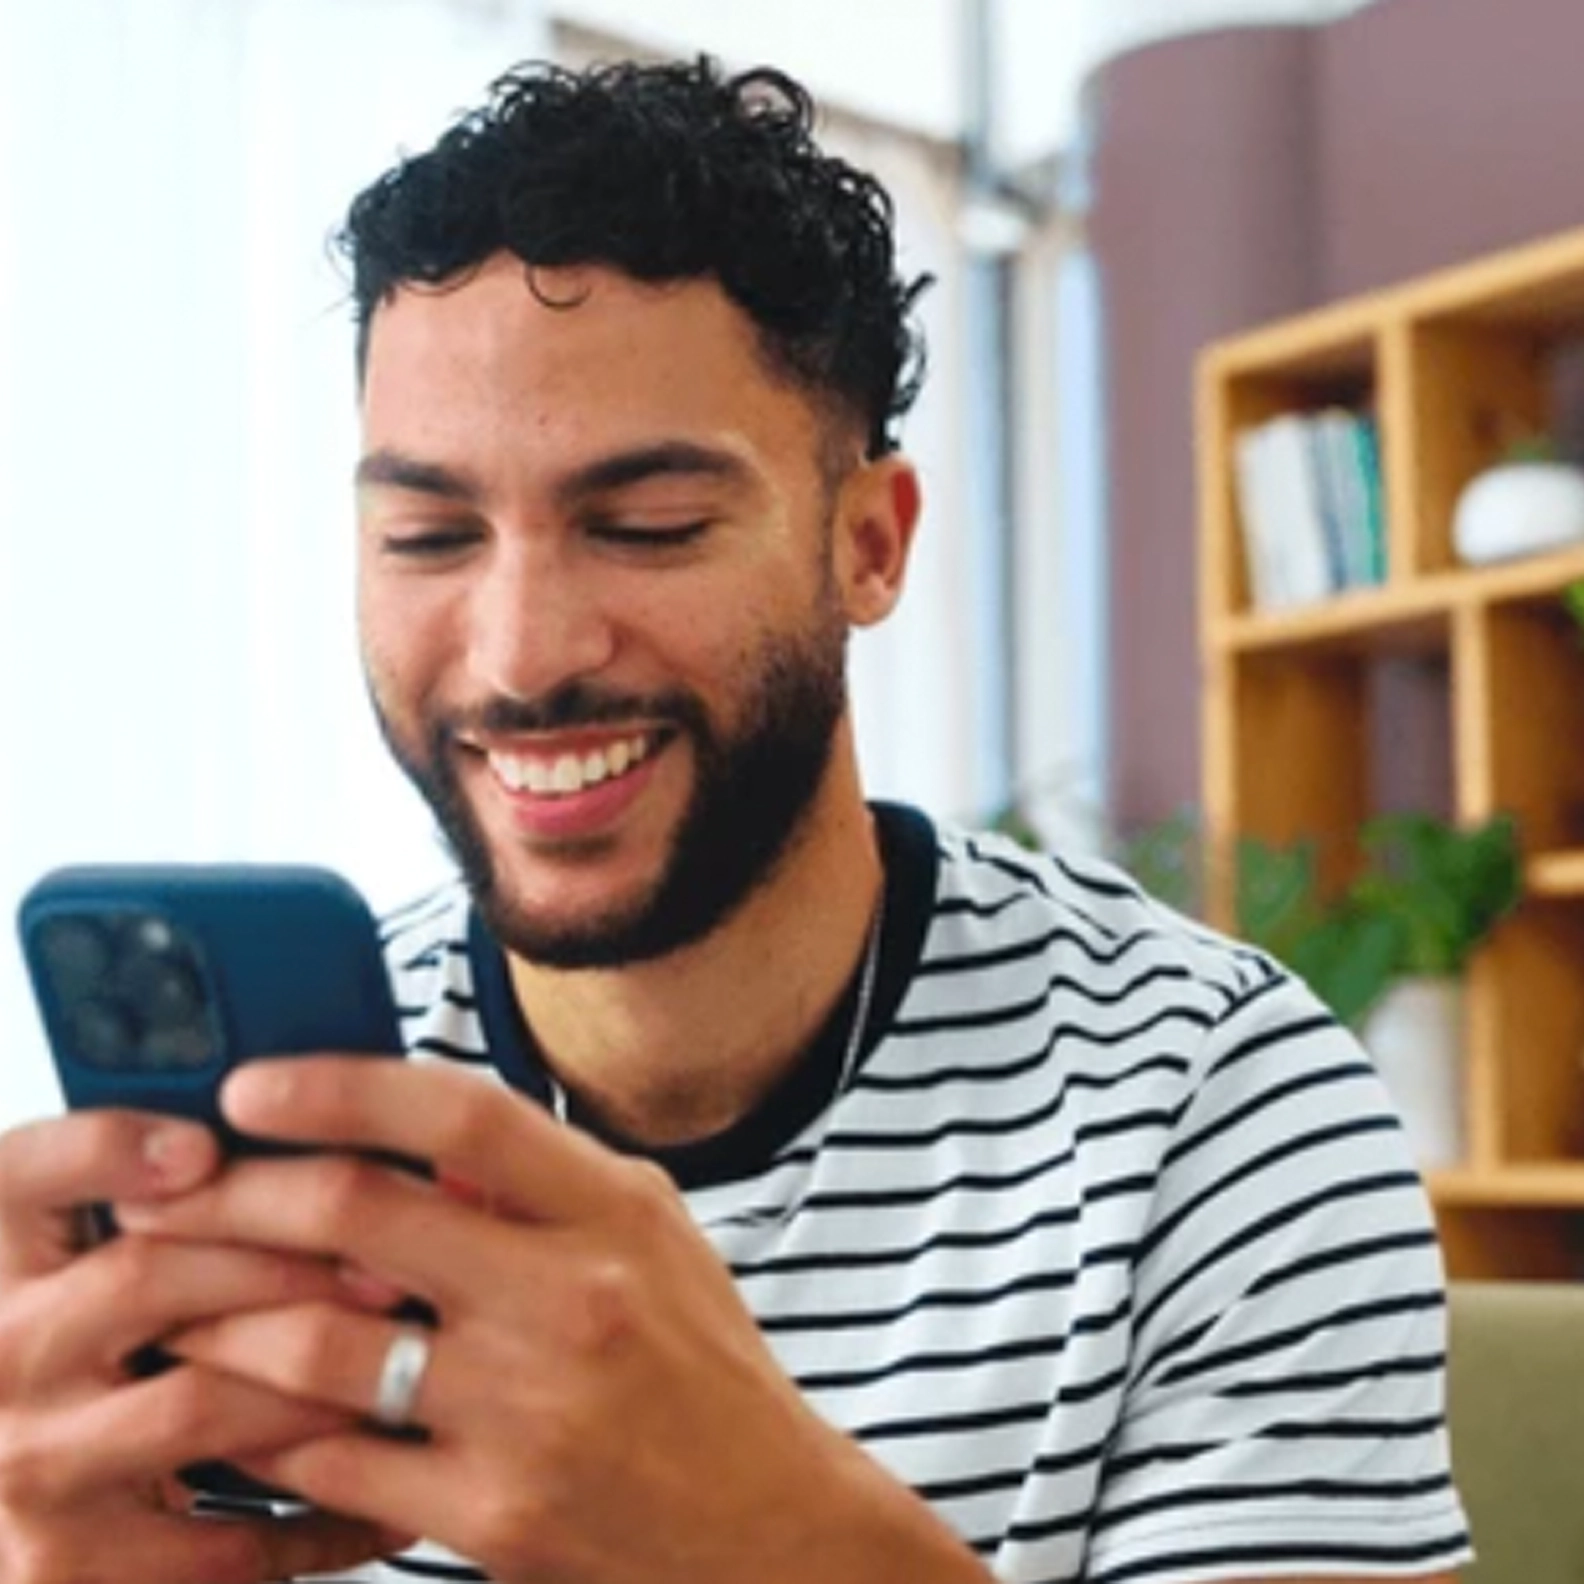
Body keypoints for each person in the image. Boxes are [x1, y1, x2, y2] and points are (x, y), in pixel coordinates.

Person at [0, 55, 1470, 1584]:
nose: (519, 654)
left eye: (646, 527)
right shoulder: (302, 1121)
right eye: (428, 535)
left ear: (869, 544)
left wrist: (763, 1536)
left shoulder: (1213, 1114)